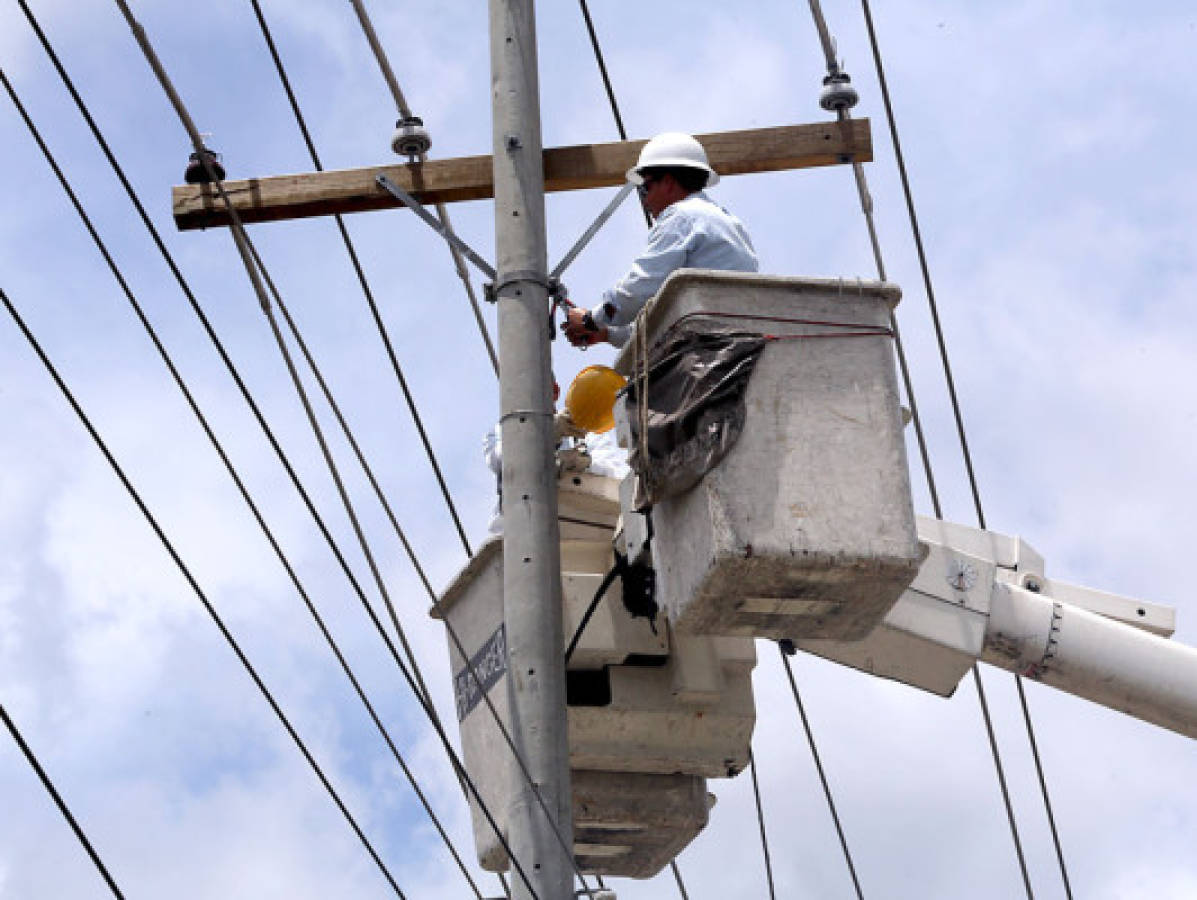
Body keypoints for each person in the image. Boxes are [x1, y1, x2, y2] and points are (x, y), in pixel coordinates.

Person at [563, 131, 759, 349]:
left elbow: (639, 290)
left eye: (645, 188)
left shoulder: (681, 217)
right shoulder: (727, 221)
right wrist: (607, 334)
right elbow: (661, 316)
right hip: (733, 346)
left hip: (706, 350)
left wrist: (591, 319)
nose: (644, 200)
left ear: (667, 182)